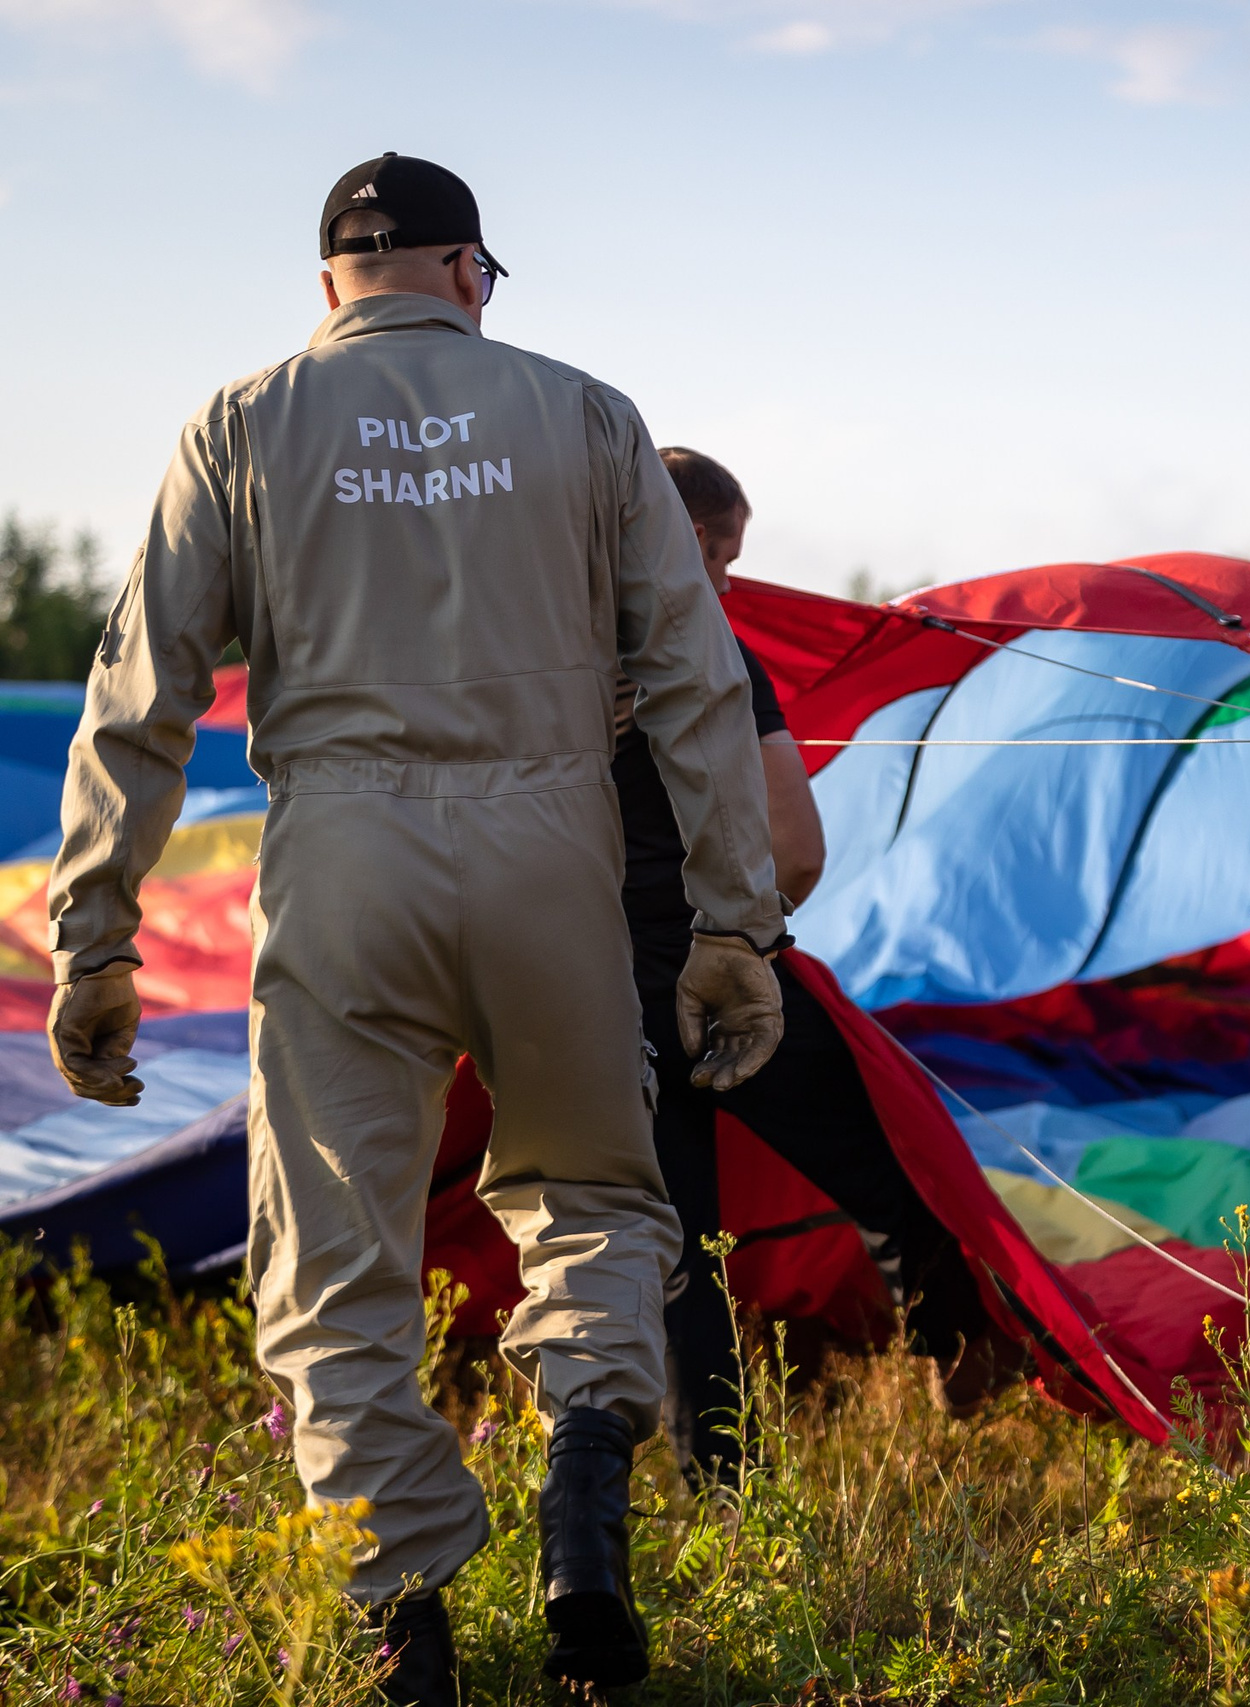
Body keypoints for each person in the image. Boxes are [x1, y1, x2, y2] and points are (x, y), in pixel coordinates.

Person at [42, 153, 790, 1706]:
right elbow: (703, 682)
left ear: (330, 284)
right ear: (468, 274)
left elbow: (139, 696)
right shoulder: (587, 413)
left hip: (344, 861)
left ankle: (406, 1618)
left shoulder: (239, 423)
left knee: (334, 1247)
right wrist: (734, 924)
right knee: (590, 1187)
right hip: (553, 852)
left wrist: (98, 935)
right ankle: (585, 1490)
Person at [628, 449, 1015, 1487]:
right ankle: (960, 1350)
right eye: (721, 556)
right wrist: (742, 936)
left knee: (675, 1254)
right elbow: (797, 849)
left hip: (595, 994)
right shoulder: (711, 654)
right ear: (693, 540)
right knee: (890, 1158)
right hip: (721, 972)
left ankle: (720, 1486)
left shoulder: (530, 660)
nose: (723, 582)